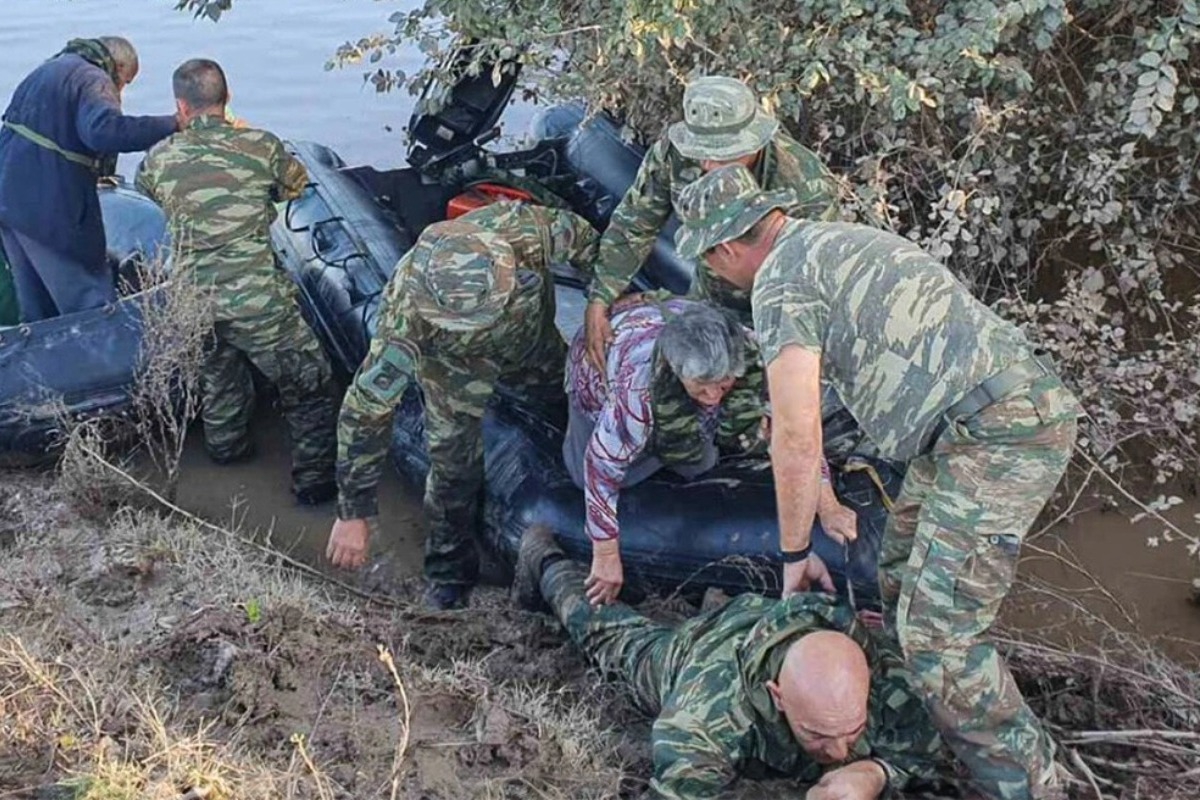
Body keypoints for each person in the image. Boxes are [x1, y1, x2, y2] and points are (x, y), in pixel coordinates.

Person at [673, 164, 1082, 800]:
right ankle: (902, 717)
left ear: (725, 248)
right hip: (968, 425)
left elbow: (797, 435)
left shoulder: (779, 284)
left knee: (938, 637)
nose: (715, 275)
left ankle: (1034, 787)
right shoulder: (833, 239)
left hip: (999, 433)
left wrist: (793, 553)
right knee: (896, 567)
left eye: (709, 261)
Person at [512, 525, 945, 800]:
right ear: (777, 697)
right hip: (696, 651)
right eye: (817, 735)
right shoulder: (706, 715)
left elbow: (932, 757)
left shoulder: (891, 679)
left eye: (851, 731)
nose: (837, 752)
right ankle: (547, 563)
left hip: (776, 624)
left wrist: (873, 773)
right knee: (612, 638)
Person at [326, 201, 600, 609]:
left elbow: (596, 251)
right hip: (454, 367)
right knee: (453, 468)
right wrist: (353, 510)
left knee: (568, 413)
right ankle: (450, 573)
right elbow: (367, 409)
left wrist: (602, 305)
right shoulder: (406, 312)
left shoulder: (526, 229)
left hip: (532, 346)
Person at [136, 59, 338, 504]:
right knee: (309, 383)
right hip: (256, 299)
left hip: (193, 297)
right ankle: (314, 484)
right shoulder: (260, 145)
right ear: (227, 100)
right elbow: (296, 186)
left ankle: (227, 452)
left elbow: (149, 194)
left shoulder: (159, 157)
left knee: (219, 372)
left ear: (181, 106)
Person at [565, 297, 855, 605]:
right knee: (594, 475)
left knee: (700, 461)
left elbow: (795, 433)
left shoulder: (751, 351)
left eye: (724, 384)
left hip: (674, 334)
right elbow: (601, 466)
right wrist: (606, 552)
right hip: (598, 367)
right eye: (702, 386)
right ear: (678, 372)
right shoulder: (635, 392)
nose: (714, 395)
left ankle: (681, 440)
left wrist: (827, 502)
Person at [583, 75, 838, 371]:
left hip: (780, 315)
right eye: (701, 152)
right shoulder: (674, 154)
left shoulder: (806, 184)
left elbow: (813, 289)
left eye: (721, 154)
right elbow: (636, 222)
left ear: (754, 142)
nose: (707, 165)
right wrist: (601, 298)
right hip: (708, 298)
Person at [0, 36, 178, 322]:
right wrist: (172, 123)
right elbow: (103, 131)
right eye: (125, 82)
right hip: (49, 209)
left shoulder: (47, 71)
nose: (120, 91)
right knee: (89, 301)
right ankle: (109, 360)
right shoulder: (92, 78)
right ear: (118, 67)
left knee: (37, 309)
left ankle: (46, 364)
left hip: (10, 203)